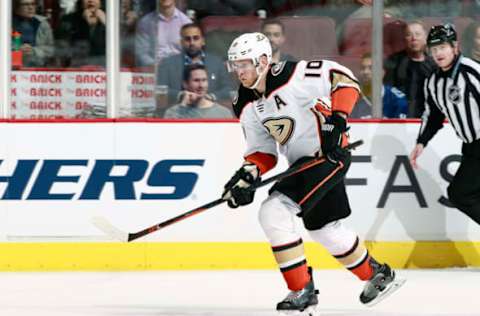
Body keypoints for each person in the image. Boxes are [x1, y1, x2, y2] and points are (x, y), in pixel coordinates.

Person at [223, 32, 403, 314]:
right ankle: (378, 275)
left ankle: (301, 290)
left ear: (262, 61)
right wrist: (248, 175)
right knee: (324, 229)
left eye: (244, 64)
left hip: (327, 155)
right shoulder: (243, 104)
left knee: (273, 212)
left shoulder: (291, 75)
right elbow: (263, 150)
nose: (239, 71)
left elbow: (344, 78)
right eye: (235, 65)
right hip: (302, 164)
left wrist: (338, 119)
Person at [410, 24, 480, 227]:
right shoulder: (432, 82)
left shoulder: (472, 71)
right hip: (470, 147)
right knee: (462, 194)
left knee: (461, 194)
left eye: (442, 47)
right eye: (433, 49)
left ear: (454, 47)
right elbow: (433, 116)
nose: (438, 53)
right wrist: (421, 142)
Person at [156, 23, 233, 104]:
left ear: (203, 41)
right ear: (181, 42)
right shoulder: (167, 63)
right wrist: (181, 95)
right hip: (178, 111)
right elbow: (160, 89)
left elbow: (229, 89)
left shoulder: (217, 62)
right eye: (187, 39)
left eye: (196, 38)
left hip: (209, 111)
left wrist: (211, 97)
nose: (192, 43)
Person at [384, 21, 437, 118]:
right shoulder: (394, 62)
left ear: (425, 38)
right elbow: (388, 92)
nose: (414, 38)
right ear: (404, 40)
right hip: (398, 118)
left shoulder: (434, 65)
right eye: (409, 35)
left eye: (418, 34)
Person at [163, 64, 234, 118]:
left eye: (204, 80)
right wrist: (183, 106)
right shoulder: (172, 113)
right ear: (185, 84)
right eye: (196, 80)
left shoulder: (224, 113)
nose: (201, 85)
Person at [135, 0, 191, 67]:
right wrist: (154, 65)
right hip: (153, 71)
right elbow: (141, 53)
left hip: (179, 70)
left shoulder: (186, 23)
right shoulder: (145, 22)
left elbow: (190, 51)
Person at [352, 53, 408, 119]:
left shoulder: (397, 99)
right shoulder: (352, 98)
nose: (365, 72)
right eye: (363, 68)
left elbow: (399, 128)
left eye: (371, 68)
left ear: (382, 73)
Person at [56, 0, 106, 66]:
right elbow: (61, 49)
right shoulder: (68, 19)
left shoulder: (111, 19)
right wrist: (82, 24)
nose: (90, 1)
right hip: (77, 68)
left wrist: (105, 22)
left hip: (104, 69)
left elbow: (120, 47)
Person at [12, 0, 54, 67]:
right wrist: (17, 49)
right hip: (9, 69)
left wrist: (34, 51)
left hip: (37, 69)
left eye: (33, 4)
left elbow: (51, 49)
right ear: (16, 7)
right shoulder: (6, 22)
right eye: (26, 4)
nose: (30, 7)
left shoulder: (43, 23)